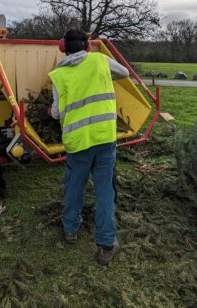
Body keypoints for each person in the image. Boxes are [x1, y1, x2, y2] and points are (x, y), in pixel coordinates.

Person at [48, 29, 129, 265]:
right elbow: (124, 73)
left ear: (63, 47)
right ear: (88, 45)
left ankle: (70, 229)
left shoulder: (58, 75)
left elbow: (55, 113)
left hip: (78, 142)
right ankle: (106, 244)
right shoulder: (100, 60)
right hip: (104, 138)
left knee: (74, 185)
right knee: (105, 190)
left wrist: (50, 111)